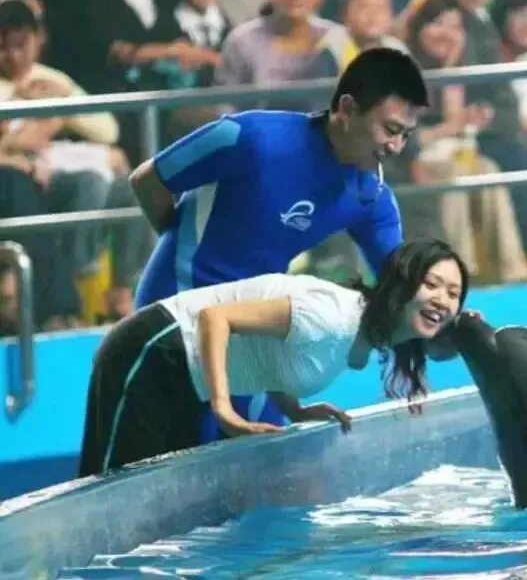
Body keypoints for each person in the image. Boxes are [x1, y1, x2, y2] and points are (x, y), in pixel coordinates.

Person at [127, 47, 437, 442]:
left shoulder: (370, 197)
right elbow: (148, 180)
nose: (396, 146)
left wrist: (455, 318)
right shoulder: (251, 138)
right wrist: (179, 248)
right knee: (183, 452)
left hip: (251, 321)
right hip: (178, 309)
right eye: (390, 130)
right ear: (347, 108)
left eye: (405, 134)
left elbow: (401, 284)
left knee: (266, 453)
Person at [78, 238, 470, 478]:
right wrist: (223, 408)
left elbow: (275, 351)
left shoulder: (363, 333)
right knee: (116, 489)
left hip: (180, 376)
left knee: (157, 499)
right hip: (152, 350)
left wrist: (294, 409)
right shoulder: (333, 316)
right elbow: (215, 318)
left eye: (454, 294)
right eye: (431, 284)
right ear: (399, 285)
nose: (443, 299)